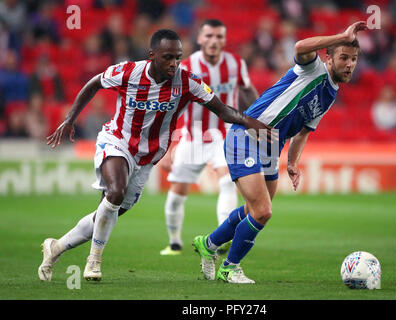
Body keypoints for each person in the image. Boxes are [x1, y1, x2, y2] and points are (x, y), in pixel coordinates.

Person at [38, 29, 274, 282]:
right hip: (117, 141)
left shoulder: (187, 82)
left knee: (107, 213)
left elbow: (224, 111)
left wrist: (252, 123)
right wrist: (70, 119)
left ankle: (57, 247)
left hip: (147, 156)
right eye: (167, 57)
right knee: (114, 193)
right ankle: (94, 260)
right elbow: (94, 83)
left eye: (178, 57)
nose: (174, 63)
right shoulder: (127, 72)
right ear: (152, 55)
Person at [192, 21, 368, 284]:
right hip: (247, 136)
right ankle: (230, 267)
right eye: (344, 57)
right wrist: (341, 36)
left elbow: (304, 131)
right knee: (263, 212)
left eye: (353, 59)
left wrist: (293, 163)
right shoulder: (312, 69)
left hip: (272, 147)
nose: (349, 64)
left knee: (255, 210)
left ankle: (208, 243)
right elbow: (300, 46)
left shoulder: (331, 93)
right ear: (328, 58)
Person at [159, 19, 259, 256]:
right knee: (176, 195)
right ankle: (174, 242)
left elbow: (247, 90)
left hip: (226, 136)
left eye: (219, 37)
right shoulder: (185, 66)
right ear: (200, 39)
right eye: (209, 36)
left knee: (227, 182)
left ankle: (222, 239)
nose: (214, 41)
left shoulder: (236, 64)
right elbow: (171, 105)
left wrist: (258, 121)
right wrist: (166, 145)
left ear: (224, 40)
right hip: (192, 138)